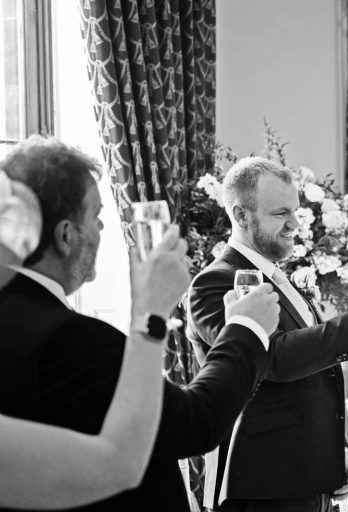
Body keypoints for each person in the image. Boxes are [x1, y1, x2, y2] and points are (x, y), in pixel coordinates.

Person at [0, 136, 281, 511]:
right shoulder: (71, 340)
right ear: (66, 236)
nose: (102, 228)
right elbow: (195, 423)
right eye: (96, 216)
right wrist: (245, 329)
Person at [186, 157, 348, 512]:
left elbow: (315, 372)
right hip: (265, 482)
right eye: (281, 213)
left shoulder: (280, 276)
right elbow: (274, 358)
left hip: (308, 475)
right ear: (242, 215)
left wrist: (335, 454)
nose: (295, 223)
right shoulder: (215, 283)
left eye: (295, 210)